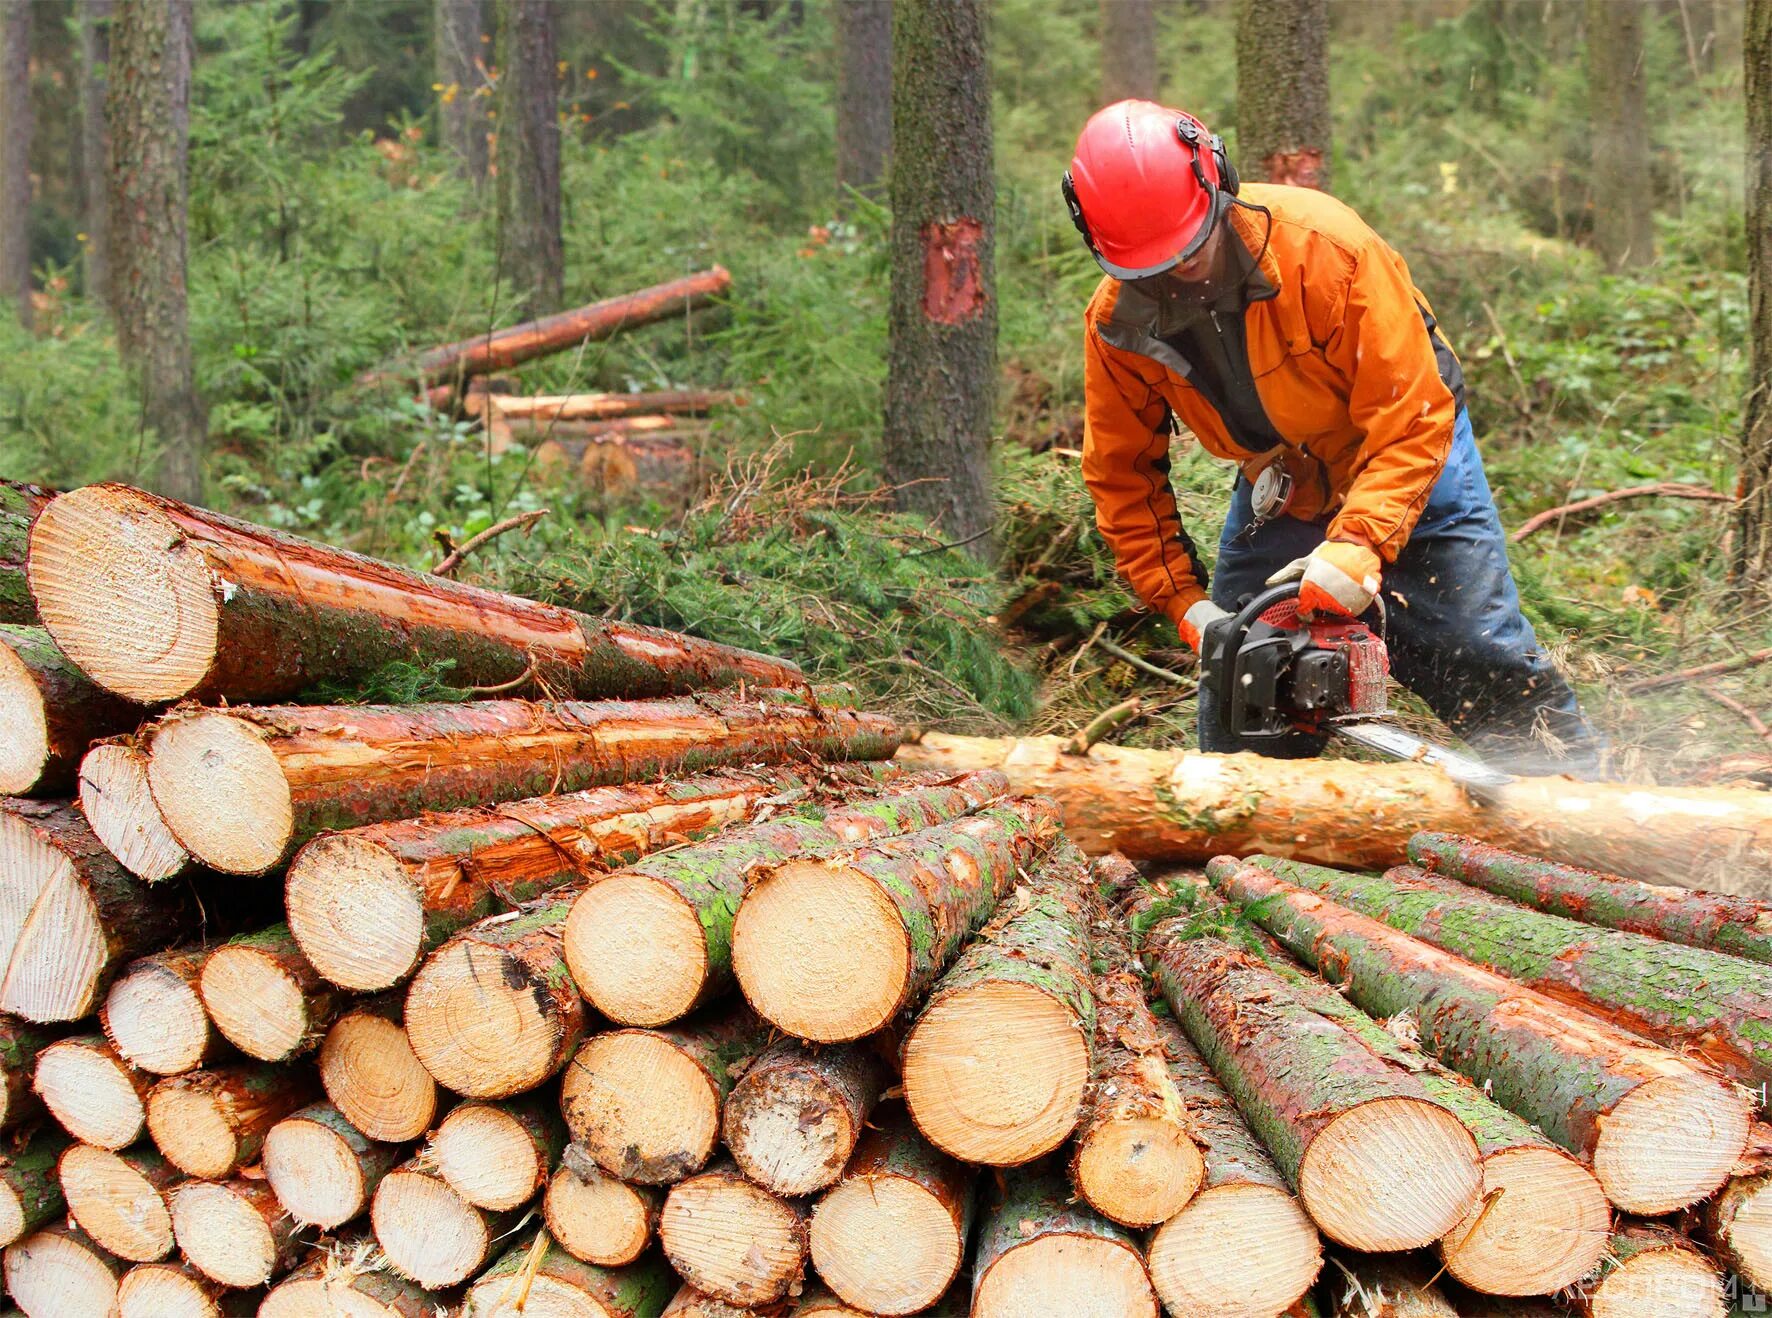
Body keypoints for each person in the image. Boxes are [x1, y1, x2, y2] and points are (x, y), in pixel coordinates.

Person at [1065, 99, 1601, 774]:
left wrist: (1358, 547)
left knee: (1475, 646)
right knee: (1244, 675)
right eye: (1153, 267)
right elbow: (1121, 474)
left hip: (1405, 444)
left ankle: (1580, 796)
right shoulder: (1117, 324)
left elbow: (1411, 415)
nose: (1180, 273)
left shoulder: (1326, 250)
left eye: (1192, 247)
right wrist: (1184, 603)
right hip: (1285, 477)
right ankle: (1252, 850)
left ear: (1217, 180)